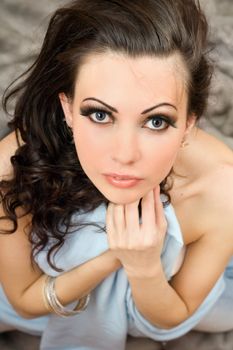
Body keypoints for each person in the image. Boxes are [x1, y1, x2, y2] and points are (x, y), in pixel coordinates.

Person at [0, 0, 233, 348]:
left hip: (163, 296)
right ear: (67, 109)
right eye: (99, 115)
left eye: (156, 121)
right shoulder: (12, 167)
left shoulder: (221, 185)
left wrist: (144, 267)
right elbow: (23, 300)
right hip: (47, 296)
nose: (125, 155)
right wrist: (114, 257)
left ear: (187, 124)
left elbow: (176, 312)